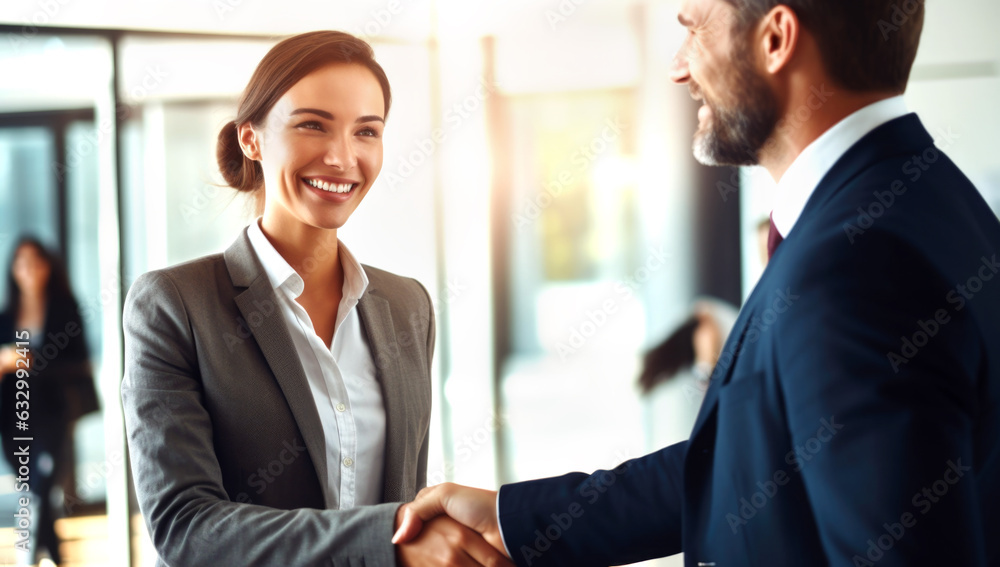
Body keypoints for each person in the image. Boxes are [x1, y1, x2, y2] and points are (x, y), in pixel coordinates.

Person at [393, 1, 1000, 565]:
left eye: (694, 29)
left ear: (775, 39)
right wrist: (516, 520)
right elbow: (761, 464)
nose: (679, 68)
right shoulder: (925, 195)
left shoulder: (850, 264)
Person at [121, 31, 511, 566]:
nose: (342, 157)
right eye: (312, 125)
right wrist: (387, 538)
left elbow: (407, 497)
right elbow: (186, 527)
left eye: (366, 132)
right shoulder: (175, 305)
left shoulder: (407, 305)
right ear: (251, 139)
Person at [1, 237, 98, 566]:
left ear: (47, 266)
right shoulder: (5, 318)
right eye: (20, 261)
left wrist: (31, 360)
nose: (27, 269)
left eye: (34, 260)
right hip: (12, 417)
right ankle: (56, 557)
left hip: (53, 415)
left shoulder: (65, 311)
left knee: (37, 487)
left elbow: (79, 362)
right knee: (31, 486)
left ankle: (26, 556)